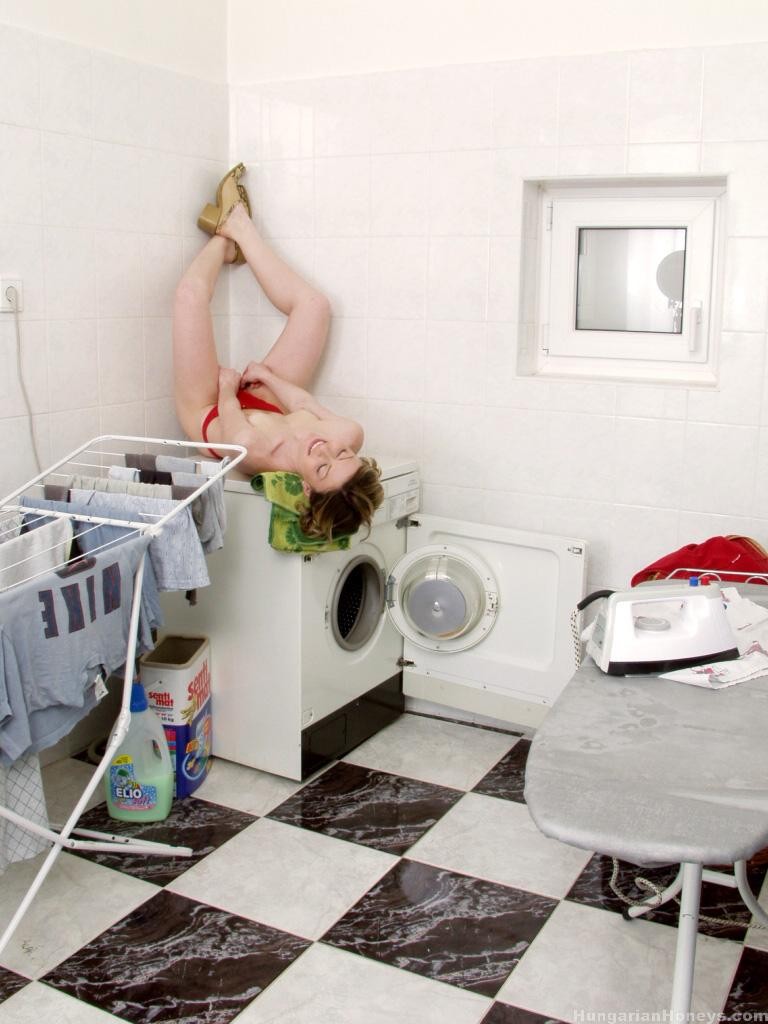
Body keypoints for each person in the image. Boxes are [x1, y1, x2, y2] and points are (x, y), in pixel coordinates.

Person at [173, 163, 383, 540]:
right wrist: (268, 378)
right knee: (315, 307)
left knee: (189, 297)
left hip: (214, 414)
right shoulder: (348, 433)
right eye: (343, 455)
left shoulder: (255, 448)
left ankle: (223, 242)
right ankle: (237, 225)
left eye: (321, 468)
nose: (324, 450)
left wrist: (227, 388)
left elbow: (231, 422)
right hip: (268, 406)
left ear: (306, 489)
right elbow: (303, 403)